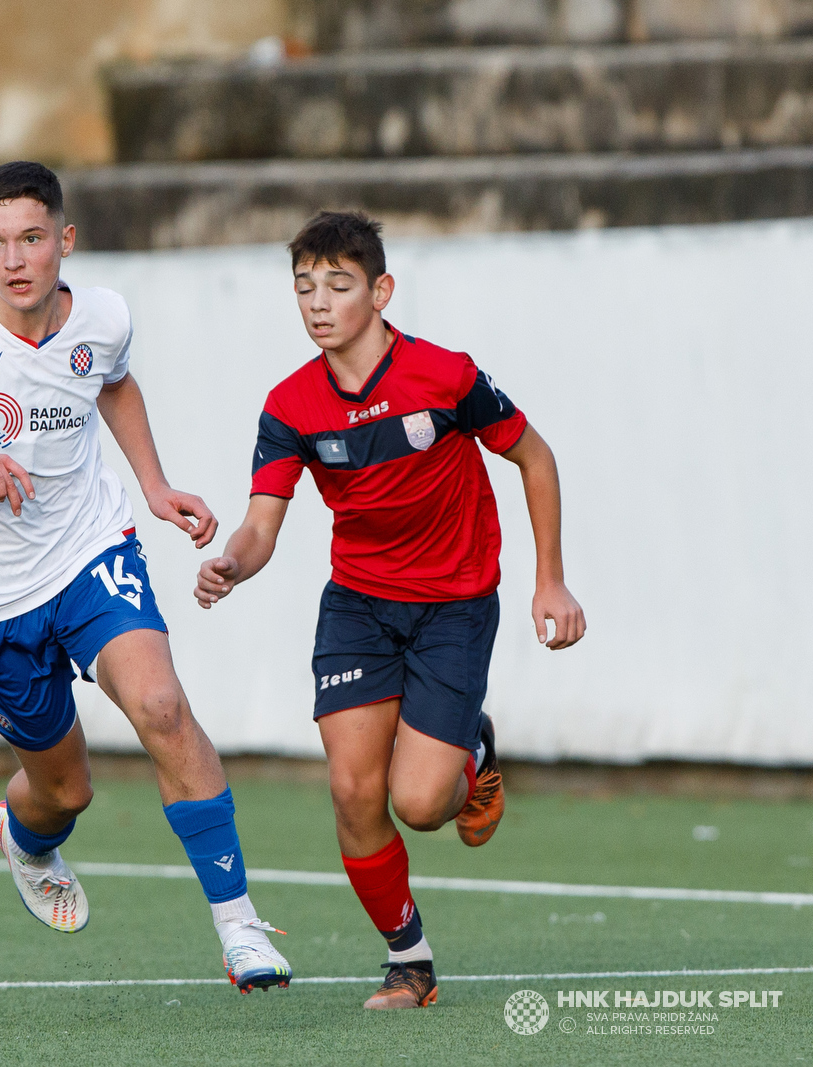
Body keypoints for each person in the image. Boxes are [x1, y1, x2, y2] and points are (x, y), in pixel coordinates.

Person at [0, 161, 290, 992]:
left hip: (90, 548)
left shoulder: (103, 316)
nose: (15, 260)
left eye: (31, 239)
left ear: (65, 240)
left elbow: (112, 383)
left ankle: (240, 928)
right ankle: (27, 836)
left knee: (162, 705)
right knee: (66, 790)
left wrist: (156, 488)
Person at [195, 210, 586, 1010]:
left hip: (454, 606)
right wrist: (233, 562)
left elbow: (533, 455)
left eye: (337, 286)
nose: (317, 303)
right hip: (359, 608)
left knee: (419, 803)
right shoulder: (291, 405)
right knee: (351, 792)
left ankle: (471, 754)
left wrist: (552, 579)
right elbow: (262, 523)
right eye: (304, 288)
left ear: (380, 291)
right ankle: (410, 961)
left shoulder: (443, 375)